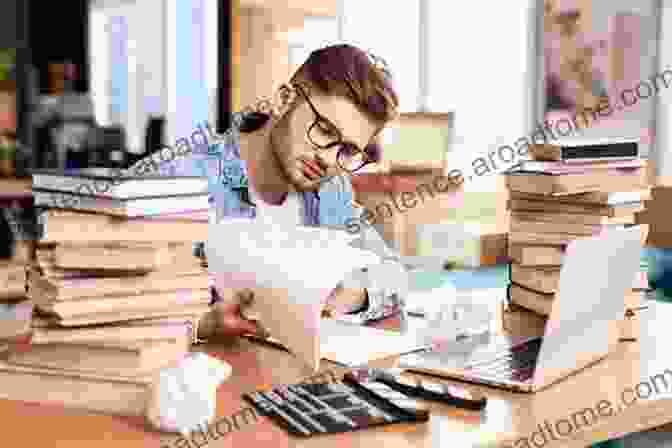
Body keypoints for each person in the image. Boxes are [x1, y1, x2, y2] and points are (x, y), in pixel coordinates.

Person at [132, 44, 405, 341]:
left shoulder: (330, 190)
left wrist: (345, 296)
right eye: (325, 130)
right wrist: (200, 325)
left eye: (348, 149)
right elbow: (96, 307)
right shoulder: (175, 178)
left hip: (286, 374)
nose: (328, 159)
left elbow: (394, 276)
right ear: (284, 99)